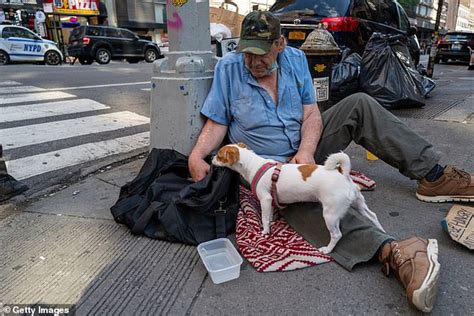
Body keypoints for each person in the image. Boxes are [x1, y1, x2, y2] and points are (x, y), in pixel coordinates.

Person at [188, 11, 473, 312]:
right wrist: (196, 156)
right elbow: (217, 123)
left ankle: (434, 174)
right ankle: (394, 250)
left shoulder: (296, 60)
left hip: (305, 148)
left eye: (261, 55)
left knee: (359, 104)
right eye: (247, 53)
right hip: (271, 169)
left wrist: (308, 151)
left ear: (280, 44)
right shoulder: (229, 69)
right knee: (311, 202)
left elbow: (311, 114)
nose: (253, 62)